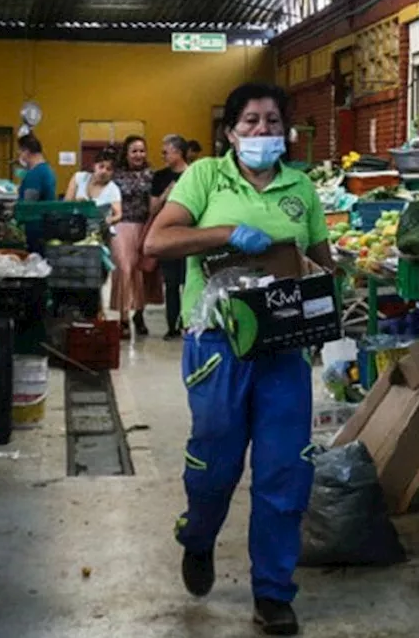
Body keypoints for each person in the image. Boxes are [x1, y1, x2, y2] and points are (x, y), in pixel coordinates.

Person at [144, 82, 332, 637]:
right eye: (250, 121)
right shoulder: (205, 176)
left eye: (272, 122)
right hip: (218, 343)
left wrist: (333, 278)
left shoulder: (301, 186)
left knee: (284, 469)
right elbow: (157, 242)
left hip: (284, 345)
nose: (262, 131)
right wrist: (225, 233)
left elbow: (320, 257)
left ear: (286, 132)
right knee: (216, 461)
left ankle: (273, 592)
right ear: (229, 132)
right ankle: (198, 537)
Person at [111, 135, 153, 339]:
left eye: (142, 151)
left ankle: (139, 313)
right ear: (126, 154)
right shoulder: (116, 175)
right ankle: (123, 317)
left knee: (141, 272)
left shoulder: (151, 175)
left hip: (144, 227)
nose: (138, 155)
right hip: (121, 226)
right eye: (134, 151)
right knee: (124, 270)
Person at [151, 135, 190, 339]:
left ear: (178, 152)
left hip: (190, 235)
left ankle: (190, 322)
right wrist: (167, 193)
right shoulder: (160, 177)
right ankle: (173, 325)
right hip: (168, 235)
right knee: (171, 283)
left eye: (166, 152)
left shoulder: (194, 175)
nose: (163, 156)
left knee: (191, 280)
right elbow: (152, 208)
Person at [15, 133, 57, 253]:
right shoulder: (47, 170)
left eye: (20, 152)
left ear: (27, 151)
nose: (20, 156)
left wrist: (14, 210)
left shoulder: (35, 174)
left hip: (36, 229)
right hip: (45, 227)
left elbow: (29, 205)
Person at [63, 146, 123, 226]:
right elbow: (66, 204)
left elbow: (118, 215)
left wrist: (109, 220)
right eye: (101, 166)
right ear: (94, 166)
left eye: (109, 169)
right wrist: (77, 204)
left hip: (100, 230)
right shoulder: (79, 177)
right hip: (75, 226)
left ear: (113, 173)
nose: (104, 171)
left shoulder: (113, 189)